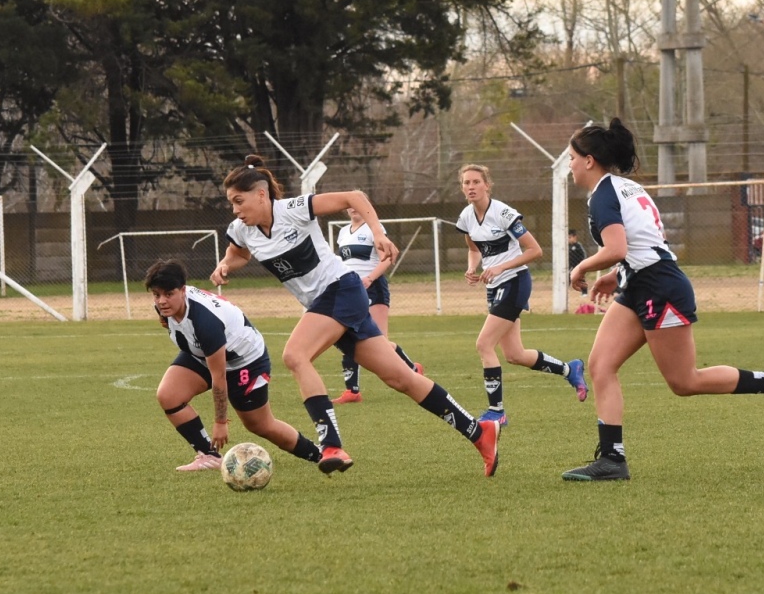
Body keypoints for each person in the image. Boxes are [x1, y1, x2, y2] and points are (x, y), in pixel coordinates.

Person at [209, 155, 500, 477]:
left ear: (261, 195)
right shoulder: (241, 229)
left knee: (295, 355)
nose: (234, 209)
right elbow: (238, 255)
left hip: (341, 290)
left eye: (239, 201)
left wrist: (378, 233)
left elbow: (354, 197)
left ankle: (331, 444)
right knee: (400, 378)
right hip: (327, 304)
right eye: (231, 203)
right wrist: (224, 266)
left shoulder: (291, 209)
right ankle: (479, 432)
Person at [561, 119, 764, 482]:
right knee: (601, 366)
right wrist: (614, 275)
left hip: (659, 288)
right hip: (641, 283)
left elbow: (618, 247)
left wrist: (580, 267)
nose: (568, 165)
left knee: (684, 382)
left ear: (589, 160)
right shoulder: (625, 188)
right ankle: (612, 460)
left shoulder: (603, 195)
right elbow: (643, 246)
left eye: (571, 158)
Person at [145, 259, 323, 472]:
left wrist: (221, 423)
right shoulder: (167, 308)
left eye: (168, 294)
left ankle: (320, 454)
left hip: (245, 362)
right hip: (205, 353)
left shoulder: (205, 322)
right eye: (156, 295)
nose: (162, 301)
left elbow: (219, 377)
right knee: (169, 395)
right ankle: (209, 455)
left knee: (260, 425)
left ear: (183, 290)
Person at [456, 163, 589, 427]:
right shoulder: (466, 217)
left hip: (515, 281)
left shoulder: (503, 213)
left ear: (487, 185)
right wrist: (472, 268)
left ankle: (497, 411)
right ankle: (569, 369)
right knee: (515, 354)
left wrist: (500, 266)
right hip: (495, 286)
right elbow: (474, 249)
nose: (470, 187)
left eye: (475, 182)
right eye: (466, 183)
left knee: (484, 344)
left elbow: (535, 250)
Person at [331, 206, 424, 404]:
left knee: (380, 342)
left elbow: (388, 257)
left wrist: (369, 279)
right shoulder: (342, 232)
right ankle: (352, 391)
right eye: (350, 206)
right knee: (346, 335)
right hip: (352, 290)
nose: (354, 209)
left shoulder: (374, 228)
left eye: (357, 205)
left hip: (373, 288)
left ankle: (413, 370)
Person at [567, 229, 588, 297]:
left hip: (578, 265)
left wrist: (581, 265)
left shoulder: (578, 246)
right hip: (571, 265)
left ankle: (584, 292)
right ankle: (565, 290)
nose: (568, 239)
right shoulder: (568, 247)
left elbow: (583, 255)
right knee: (568, 277)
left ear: (574, 237)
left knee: (580, 278)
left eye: (570, 237)